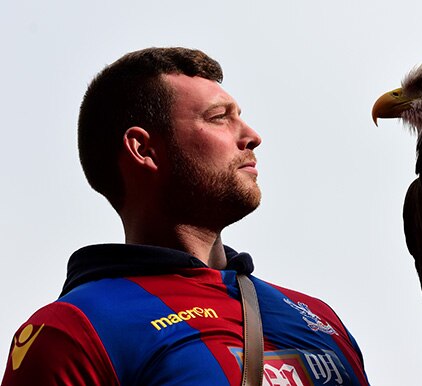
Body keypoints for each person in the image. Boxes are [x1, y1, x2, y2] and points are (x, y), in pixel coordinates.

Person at [1, 47, 370, 386]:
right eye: (218, 118)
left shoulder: (320, 318)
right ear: (143, 148)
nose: (252, 136)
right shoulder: (72, 332)